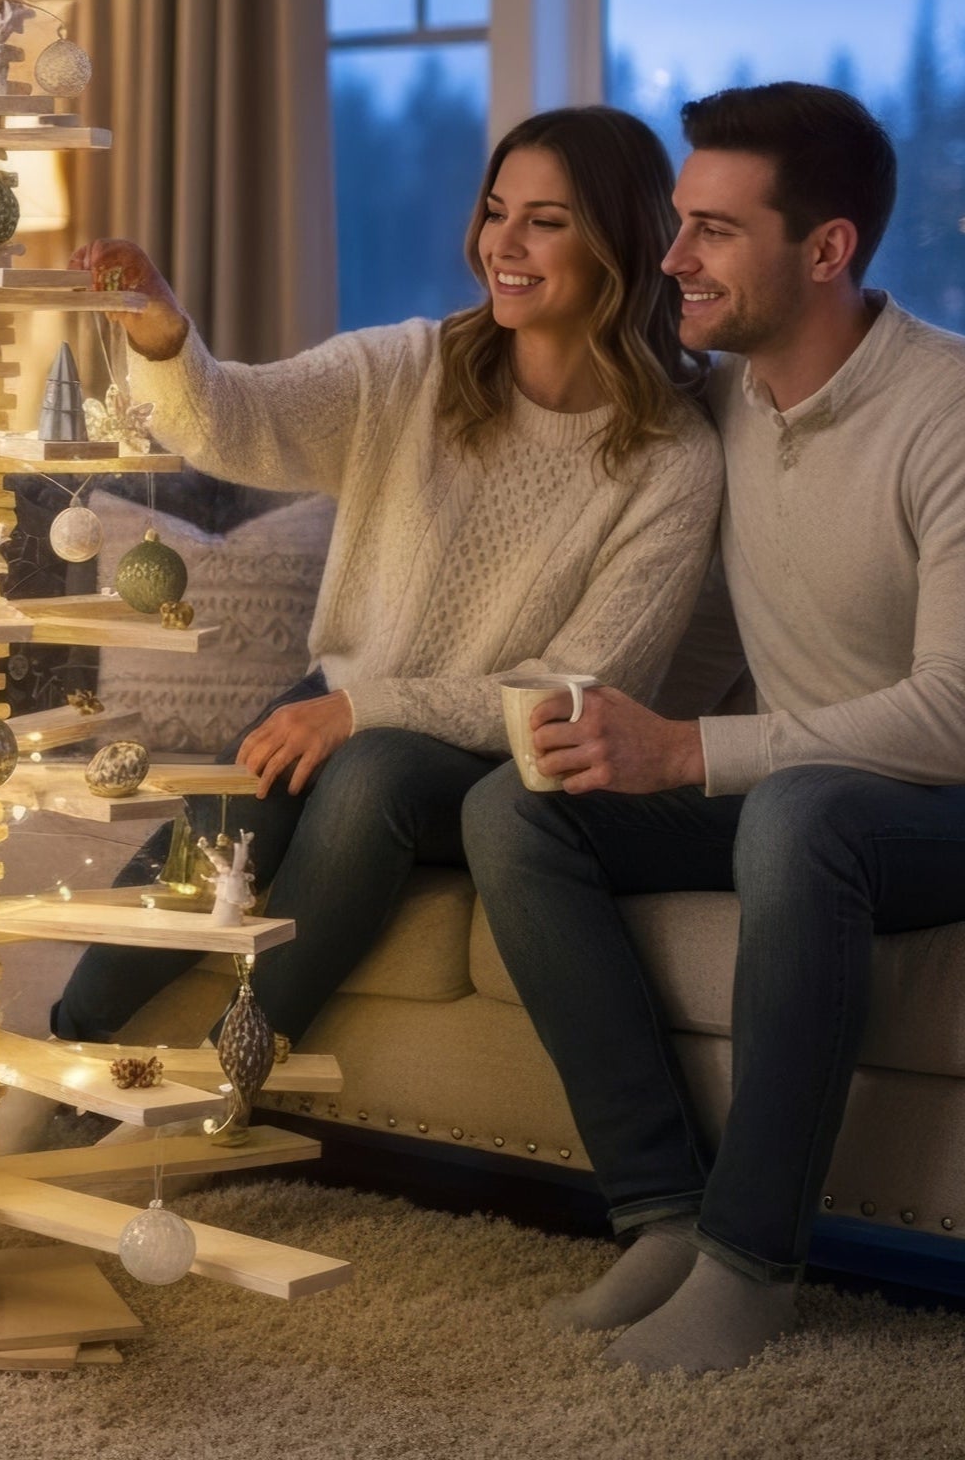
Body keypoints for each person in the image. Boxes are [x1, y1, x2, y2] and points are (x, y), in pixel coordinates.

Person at [462, 83, 965, 1375]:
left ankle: (753, 1260)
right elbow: (692, 635)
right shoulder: (724, 406)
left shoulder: (946, 413)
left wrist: (688, 753)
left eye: (715, 232)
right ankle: (665, 1215)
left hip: (932, 804)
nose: (671, 259)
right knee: (515, 809)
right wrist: (588, 716)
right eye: (678, 223)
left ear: (829, 249)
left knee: (798, 818)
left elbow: (954, 712)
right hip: (796, 790)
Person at [51, 106, 724, 1055]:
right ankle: (61, 1054)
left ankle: (233, 1071)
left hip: (503, 760)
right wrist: (163, 334)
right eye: (496, 211)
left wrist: (366, 710)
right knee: (236, 801)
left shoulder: (670, 460)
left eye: (546, 219)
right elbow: (239, 422)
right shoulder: (412, 368)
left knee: (371, 773)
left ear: (620, 239)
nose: (505, 244)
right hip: (348, 697)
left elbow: (577, 690)